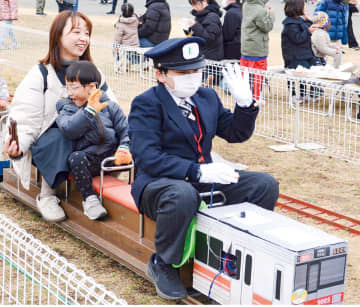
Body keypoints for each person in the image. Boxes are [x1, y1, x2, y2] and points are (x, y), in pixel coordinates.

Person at [128, 36, 279, 300]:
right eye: (183, 72)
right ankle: (163, 263)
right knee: (183, 194)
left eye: (196, 70)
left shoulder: (206, 97)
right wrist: (195, 171)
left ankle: (237, 254)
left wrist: (246, 105)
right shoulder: (146, 104)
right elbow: (147, 157)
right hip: (159, 185)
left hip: (203, 177)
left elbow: (235, 133)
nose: (192, 77)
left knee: (264, 185)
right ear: (161, 74)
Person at [4, 10, 118, 223]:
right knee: (63, 134)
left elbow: (112, 107)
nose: (83, 38)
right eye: (76, 32)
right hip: (52, 143)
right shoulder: (41, 74)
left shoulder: (94, 74)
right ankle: (47, 194)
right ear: (57, 35)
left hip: (89, 141)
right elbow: (25, 117)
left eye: (86, 32)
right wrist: (18, 146)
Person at [56, 61, 131, 220]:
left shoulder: (110, 106)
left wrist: (124, 147)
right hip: (87, 161)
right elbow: (68, 129)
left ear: (91, 87)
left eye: (74, 87)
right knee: (75, 158)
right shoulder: (67, 108)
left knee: (140, 149)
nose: (70, 92)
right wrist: (88, 111)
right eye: (67, 87)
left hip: (111, 158)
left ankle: (139, 189)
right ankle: (89, 200)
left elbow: (125, 129)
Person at [281, 0, 319, 103]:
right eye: (303, 6)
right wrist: (308, 31)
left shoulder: (299, 20)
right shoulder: (290, 24)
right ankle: (294, 95)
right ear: (297, 8)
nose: (304, 8)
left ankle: (305, 94)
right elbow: (297, 38)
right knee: (297, 74)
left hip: (304, 53)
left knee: (310, 70)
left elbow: (306, 27)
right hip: (294, 56)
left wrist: (309, 20)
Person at [240, 0, 275, 103]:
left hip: (246, 45)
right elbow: (267, 27)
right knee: (258, 73)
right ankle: (256, 96)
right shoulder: (260, 10)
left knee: (245, 73)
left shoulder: (246, 5)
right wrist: (271, 14)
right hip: (258, 47)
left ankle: (245, 95)